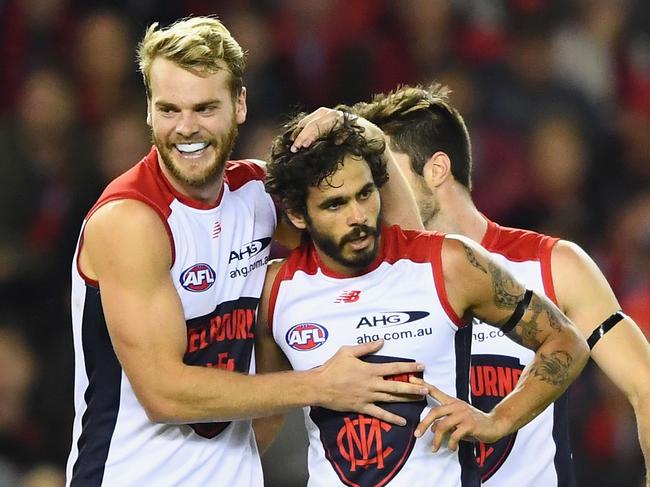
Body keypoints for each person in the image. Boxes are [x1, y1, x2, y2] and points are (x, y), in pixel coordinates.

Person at [64, 16, 427, 487]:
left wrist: (364, 134)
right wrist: (318, 386)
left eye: (204, 108)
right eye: (169, 109)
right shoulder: (130, 220)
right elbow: (164, 395)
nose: (185, 129)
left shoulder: (255, 194)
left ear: (240, 105)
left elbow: (396, 259)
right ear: (149, 111)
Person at [257, 113, 589, 486]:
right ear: (297, 215)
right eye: (335, 205)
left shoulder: (447, 263)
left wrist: (498, 420)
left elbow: (567, 342)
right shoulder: (277, 288)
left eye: (365, 194)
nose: (358, 216)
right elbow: (267, 410)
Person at [351, 83, 650, 487]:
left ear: (436, 169)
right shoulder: (372, 280)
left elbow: (644, 383)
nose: (375, 194)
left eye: (386, 174)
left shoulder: (552, 266)